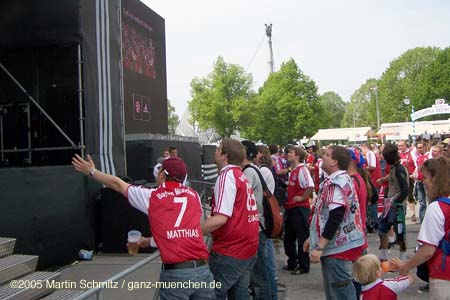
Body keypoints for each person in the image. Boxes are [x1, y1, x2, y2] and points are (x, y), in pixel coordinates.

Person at [71, 154, 215, 300]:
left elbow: (118, 184)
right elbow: (181, 232)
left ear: (162, 174)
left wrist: (92, 171)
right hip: (203, 271)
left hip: (176, 275)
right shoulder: (194, 196)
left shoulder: (152, 197)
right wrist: (148, 241)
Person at [304, 145, 365, 300]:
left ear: (334, 162)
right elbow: (324, 216)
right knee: (337, 291)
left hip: (338, 248)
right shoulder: (341, 180)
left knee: (340, 293)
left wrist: (320, 246)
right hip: (340, 245)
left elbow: (335, 216)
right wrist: (312, 238)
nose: (322, 157)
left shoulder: (336, 182)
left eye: (326, 154)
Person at [201, 138, 259, 299]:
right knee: (239, 294)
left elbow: (221, 218)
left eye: (218, 149)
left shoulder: (227, 176)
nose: (215, 152)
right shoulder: (240, 175)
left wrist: (193, 231)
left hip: (231, 249)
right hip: (248, 246)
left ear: (225, 156)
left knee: (211, 294)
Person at [398, 157, 450, 300]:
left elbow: (428, 250)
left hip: (444, 274)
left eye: (425, 177)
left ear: (435, 178)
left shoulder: (437, 208)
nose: (423, 181)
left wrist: (407, 266)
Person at [241, 140, 272, 300]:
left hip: (256, 228)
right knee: (260, 272)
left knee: (259, 275)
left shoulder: (248, 173)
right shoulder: (252, 170)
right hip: (258, 226)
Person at [283, 146, 314, 275]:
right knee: (289, 237)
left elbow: (310, 186)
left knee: (302, 237)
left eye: (291, 152)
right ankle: (292, 262)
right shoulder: (294, 170)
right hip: (291, 207)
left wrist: (301, 197)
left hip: (299, 208)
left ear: (297, 156)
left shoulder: (302, 170)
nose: (288, 154)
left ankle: (303, 265)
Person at [377, 143, 409, 262]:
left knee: (400, 234)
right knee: (381, 230)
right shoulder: (393, 168)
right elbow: (392, 177)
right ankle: (384, 257)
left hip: (398, 206)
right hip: (389, 205)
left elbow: (405, 190)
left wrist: (395, 202)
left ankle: (402, 260)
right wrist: (383, 180)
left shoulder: (400, 169)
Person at [397, 140, 417, 223]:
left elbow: (416, 165)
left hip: (409, 177)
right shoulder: (398, 154)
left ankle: (412, 213)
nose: (400, 147)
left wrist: (414, 174)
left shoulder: (411, 153)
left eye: (402, 145)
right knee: (401, 196)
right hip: (400, 177)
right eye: (399, 146)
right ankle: (402, 213)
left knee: (409, 195)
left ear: (406, 145)